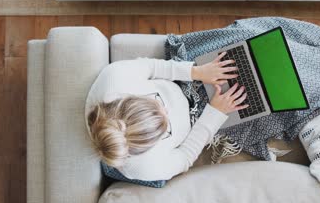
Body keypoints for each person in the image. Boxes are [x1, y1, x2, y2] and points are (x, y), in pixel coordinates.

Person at [84, 52, 248, 181]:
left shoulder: (115, 79)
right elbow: (184, 157)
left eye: (155, 104)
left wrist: (197, 72)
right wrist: (215, 113)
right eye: (164, 127)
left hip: (183, 80)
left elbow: (151, 67)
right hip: (198, 123)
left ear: (129, 98)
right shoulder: (144, 167)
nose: (167, 111)